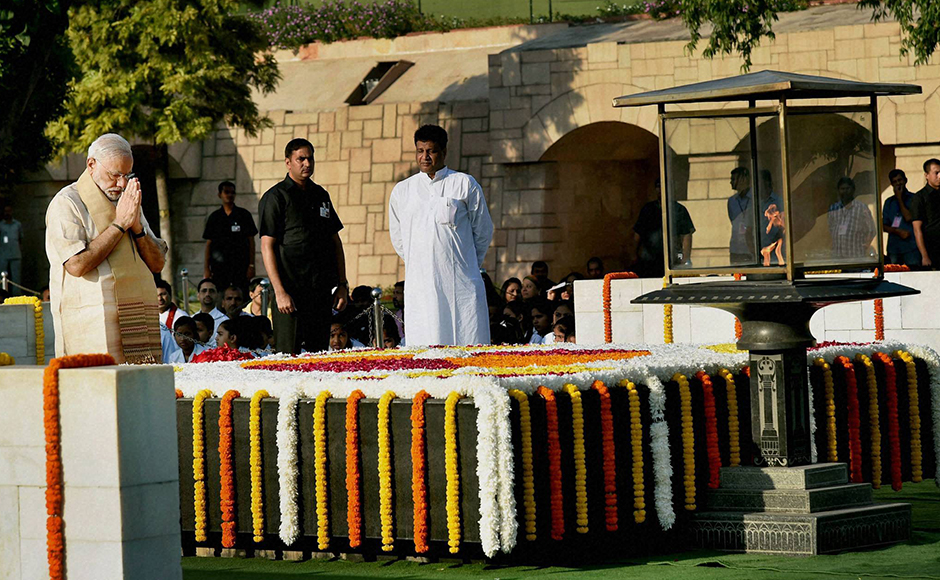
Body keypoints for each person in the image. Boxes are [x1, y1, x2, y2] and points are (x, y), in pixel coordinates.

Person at [44, 133, 166, 363]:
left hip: (134, 319)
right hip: (89, 323)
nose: (121, 184)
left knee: (138, 382)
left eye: (127, 175)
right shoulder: (67, 203)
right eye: (114, 175)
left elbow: (157, 263)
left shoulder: (128, 201)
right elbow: (76, 265)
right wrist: (119, 225)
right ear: (91, 164)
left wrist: (137, 228)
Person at [389, 124, 494, 346]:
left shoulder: (464, 184)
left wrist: (466, 264)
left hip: (460, 282)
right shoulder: (403, 190)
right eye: (420, 151)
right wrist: (421, 262)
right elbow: (398, 238)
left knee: (465, 341)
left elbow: (483, 230)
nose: (425, 157)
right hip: (420, 282)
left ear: (444, 152)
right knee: (425, 342)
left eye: (431, 151)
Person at [259, 138, 349, 354]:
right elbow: (267, 246)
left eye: (310, 158)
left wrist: (342, 284)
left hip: (319, 291)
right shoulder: (276, 197)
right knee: (288, 356)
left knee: (318, 355)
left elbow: (335, 241)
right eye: (301, 159)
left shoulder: (320, 195)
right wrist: (279, 292)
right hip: (290, 292)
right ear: (288, 163)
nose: (307, 163)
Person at [203, 181, 258, 293]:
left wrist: (251, 265)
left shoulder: (244, 215)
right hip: (219, 267)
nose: (230, 195)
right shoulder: (214, 217)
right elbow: (209, 244)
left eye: (232, 192)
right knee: (220, 295)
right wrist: (206, 268)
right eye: (226, 192)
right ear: (220, 195)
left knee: (242, 294)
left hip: (240, 266)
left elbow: (251, 242)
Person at [633, 179, 695, 276]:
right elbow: (637, 234)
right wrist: (634, 255)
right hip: (649, 261)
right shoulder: (647, 209)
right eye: (658, 186)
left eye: (663, 186)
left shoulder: (679, 210)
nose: (660, 189)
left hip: (672, 260)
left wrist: (685, 259)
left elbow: (686, 235)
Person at [828, 177, 875, 260]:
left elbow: (871, 230)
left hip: (856, 255)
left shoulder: (861, 208)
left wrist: (866, 245)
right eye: (842, 189)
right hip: (838, 256)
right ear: (838, 191)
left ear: (853, 190)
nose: (845, 191)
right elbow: (831, 228)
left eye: (847, 189)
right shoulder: (833, 208)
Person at [882, 169, 920, 267]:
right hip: (894, 248)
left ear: (905, 180)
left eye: (900, 180)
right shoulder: (889, 202)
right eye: (895, 182)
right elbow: (884, 226)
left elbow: (909, 217)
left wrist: (899, 199)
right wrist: (897, 231)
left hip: (911, 247)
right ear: (891, 184)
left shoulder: (914, 198)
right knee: (893, 271)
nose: (898, 184)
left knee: (913, 271)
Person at [911, 159, 940, 268]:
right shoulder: (919, 197)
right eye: (936, 173)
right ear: (927, 175)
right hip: (932, 249)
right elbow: (917, 229)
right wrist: (925, 256)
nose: (939, 176)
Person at [0, 204, 23, 292]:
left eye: (9, 211)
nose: (7, 213)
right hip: (3, 255)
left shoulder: (17, 224)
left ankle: (16, 294)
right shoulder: (1, 225)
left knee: (16, 277)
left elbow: (21, 239)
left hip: (15, 254)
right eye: (6, 212)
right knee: (2, 277)